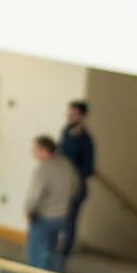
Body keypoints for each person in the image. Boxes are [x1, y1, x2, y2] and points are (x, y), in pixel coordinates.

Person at [23, 134, 81, 273]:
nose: (33, 152)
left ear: (43, 150)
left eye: (35, 148)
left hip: (43, 218)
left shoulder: (43, 169)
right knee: (54, 254)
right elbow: (76, 186)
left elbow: (35, 195)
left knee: (37, 254)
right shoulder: (66, 165)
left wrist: (29, 210)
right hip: (61, 217)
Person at [56, 99, 94, 261]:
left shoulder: (86, 140)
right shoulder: (65, 132)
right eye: (69, 113)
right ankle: (54, 250)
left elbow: (89, 168)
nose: (70, 116)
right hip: (61, 185)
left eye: (74, 114)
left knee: (69, 220)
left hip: (75, 187)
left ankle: (63, 254)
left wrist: (73, 176)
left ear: (82, 116)